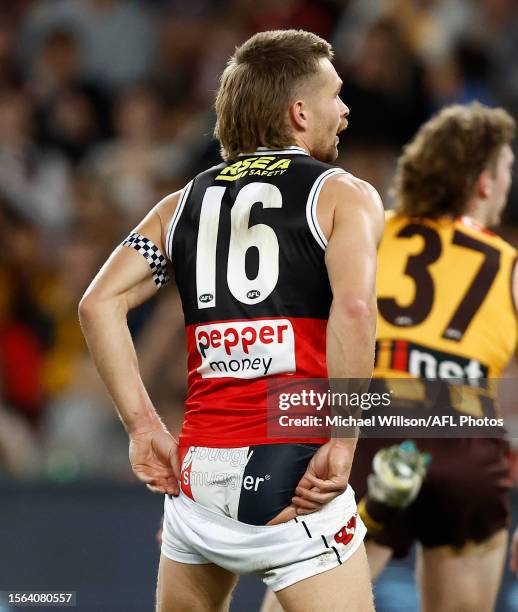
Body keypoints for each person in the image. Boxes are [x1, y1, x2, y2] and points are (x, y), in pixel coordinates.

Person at [79, 30, 384, 612]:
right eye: (335, 96)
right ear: (299, 112)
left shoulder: (179, 206)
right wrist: (345, 439)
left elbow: (98, 303)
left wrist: (142, 427)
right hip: (294, 482)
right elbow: (352, 309)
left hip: (197, 488)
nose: (344, 110)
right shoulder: (343, 195)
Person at [262, 102, 517, 612]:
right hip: (467, 432)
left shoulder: (366, 229)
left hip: (370, 424)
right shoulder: (509, 265)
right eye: (508, 171)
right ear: (485, 184)